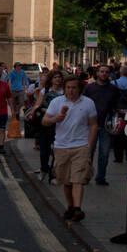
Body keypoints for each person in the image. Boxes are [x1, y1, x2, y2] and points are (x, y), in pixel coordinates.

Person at [43, 75, 98, 223]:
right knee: (66, 181)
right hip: (61, 146)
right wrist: (56, 119)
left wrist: (89, 145)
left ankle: (78, 209)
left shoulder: (88, 103)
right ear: (64, 88)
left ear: (79, 88)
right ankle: (70, 206)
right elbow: (45, 121)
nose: (71, 90)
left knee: (78, 179)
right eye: (68, 87)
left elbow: (93, 125)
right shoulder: (56, 102)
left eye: (74, 87)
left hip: (81, 146)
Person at [84, 64, 120, 185]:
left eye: (106, 72)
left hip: (106, 125)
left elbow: (117, 105)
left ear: (109, 74)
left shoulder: (113, 89)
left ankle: (101, 177)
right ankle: (86, 176)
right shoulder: (90, 88)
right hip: (91, 124)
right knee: (89, 152)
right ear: (97, 73)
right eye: (102, 71)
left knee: (104, 153)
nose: (104, 74)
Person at [30, 69, 64, 180]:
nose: (58, 79)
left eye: (59, 77)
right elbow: (38, 106)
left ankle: (53, 174)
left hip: (60, 125)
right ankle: (44, 168)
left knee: (57, 150)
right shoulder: (45, 90)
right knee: (44, 150)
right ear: (51, 80)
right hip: (47, 122)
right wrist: (49, 112)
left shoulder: (64, 92)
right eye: (55, 77)